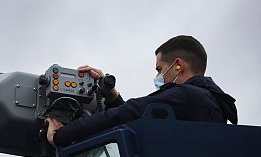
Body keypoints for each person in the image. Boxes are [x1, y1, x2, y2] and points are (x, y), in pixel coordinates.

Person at [46, 35, 238, 147]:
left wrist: (61, 136)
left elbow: (125, 114)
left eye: (160, 69)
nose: (158, 76)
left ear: (178, 65)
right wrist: (112, 94)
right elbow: (140, 120)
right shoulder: (213, 104)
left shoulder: (186, 96)